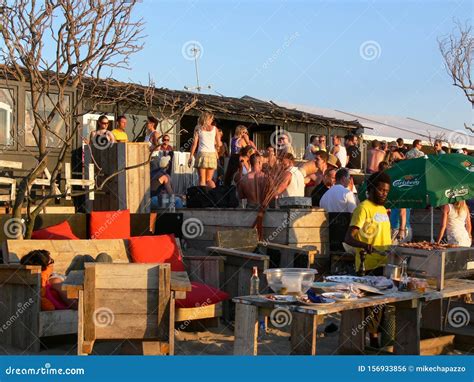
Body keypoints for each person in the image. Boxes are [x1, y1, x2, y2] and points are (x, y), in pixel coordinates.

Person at [344, 171, 391, 348]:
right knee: (371, 308)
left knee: (382, 306)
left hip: (384, 265)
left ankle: (375, 341)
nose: (384, 194)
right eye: (380, 190)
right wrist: (365, 246)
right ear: (371, 189)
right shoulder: (363, 208)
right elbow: (349, 237)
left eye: (387, 191)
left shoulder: (382, 209)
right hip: (367, 267)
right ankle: (371, 343)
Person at [188, 111, 220, 188]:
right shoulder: (215, 129)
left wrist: (190, 156)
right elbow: (218, 144)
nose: (212, 121)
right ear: (208, 119)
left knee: (202, 180)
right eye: (211, 119)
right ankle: (214, 195)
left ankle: (202, 198)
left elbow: (194, 144)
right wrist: (217, 150)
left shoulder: (198, 128)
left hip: (202, 154)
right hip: (212, 154)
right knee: (209, 180)